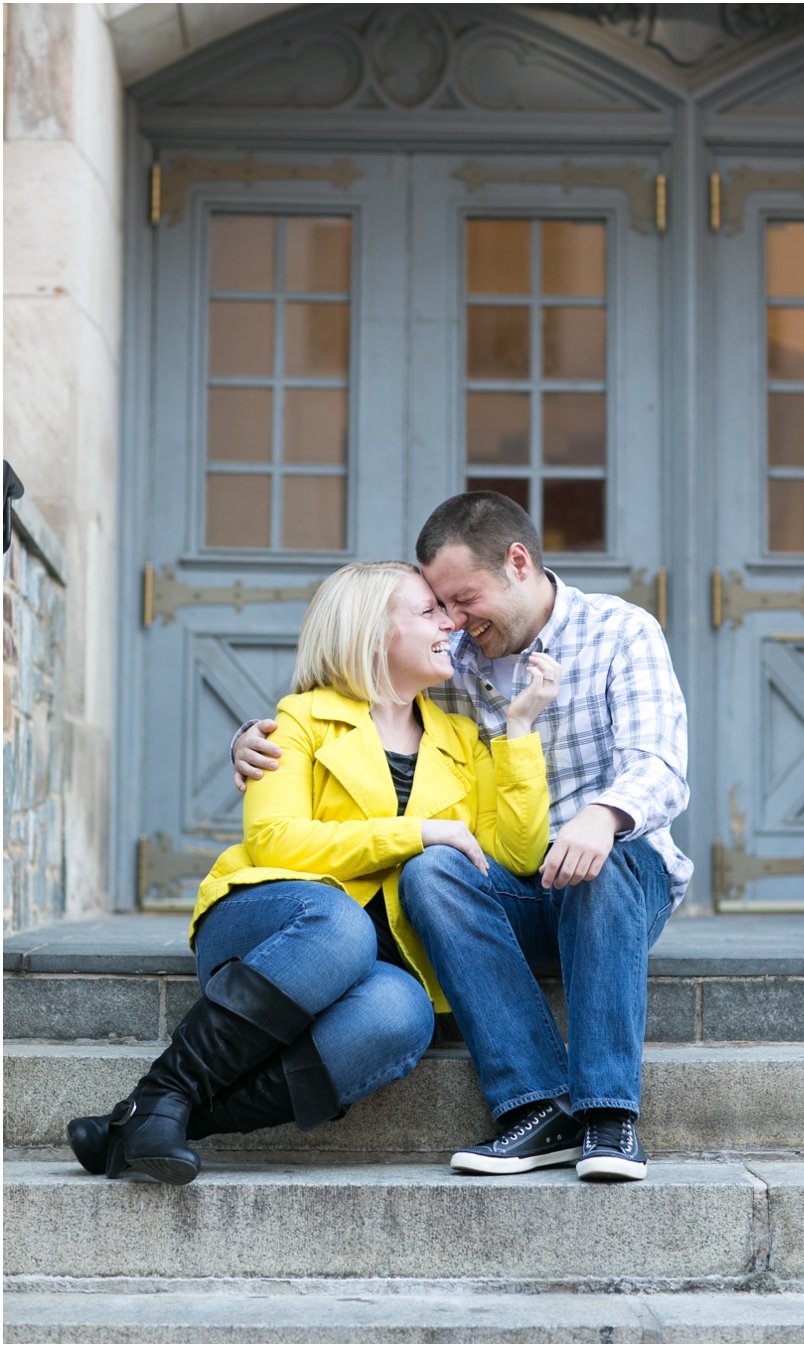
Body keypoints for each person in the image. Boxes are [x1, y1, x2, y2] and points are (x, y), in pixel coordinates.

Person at [234, 493, 692, 1184]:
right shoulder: (453, 661)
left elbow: (660, 762)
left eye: (463, 598)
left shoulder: (622, 632)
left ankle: (607, 1114)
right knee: (431, 871)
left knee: (600, 869)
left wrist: (604, 814)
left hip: (618, 874)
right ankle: (536, 1107)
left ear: (518, 562)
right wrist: (249, 738)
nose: (452, 620)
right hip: (517, 879)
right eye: (439, 606)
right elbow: (357, 692)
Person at [67, 559, 559, 1185]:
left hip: (380, 960)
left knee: (401, 1013)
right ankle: (164, 1091)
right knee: (340, 925)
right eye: (430, 611)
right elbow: (277, 844)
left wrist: (518, 731)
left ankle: (154, 1120)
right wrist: (415, 832)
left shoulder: (463, 739)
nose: (452, 623)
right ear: (371, 631)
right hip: (271, 924)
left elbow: (513, 855)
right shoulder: (298, 719)